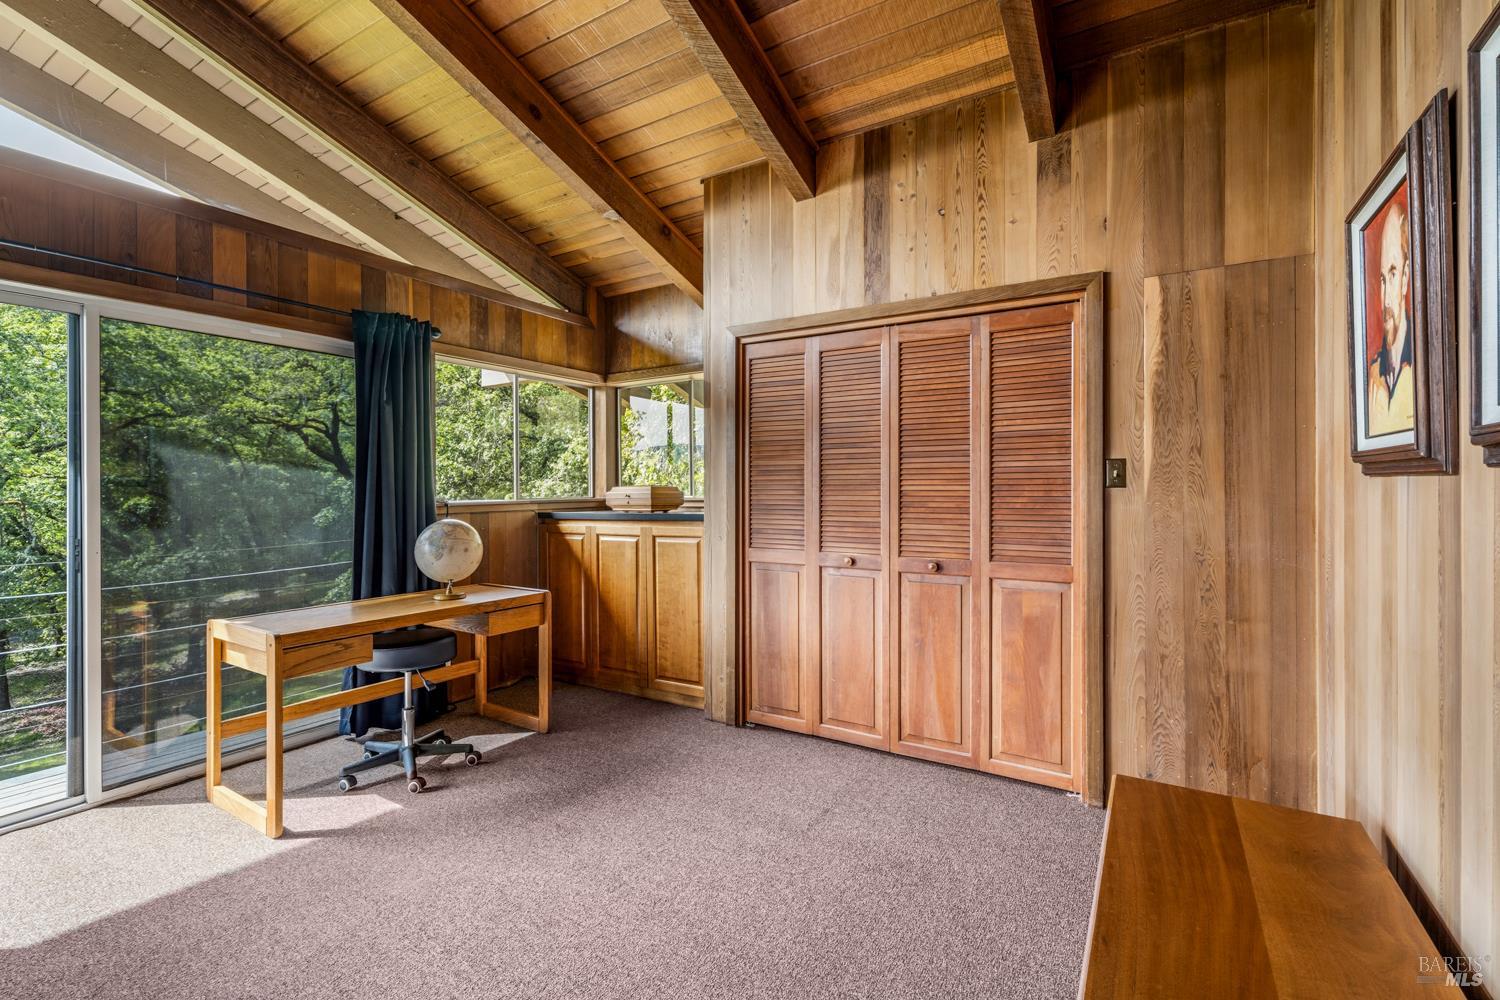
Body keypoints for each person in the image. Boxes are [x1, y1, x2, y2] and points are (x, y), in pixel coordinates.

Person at [1366, 196, 1415, 436]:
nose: (1385, 298)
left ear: (1406, 277)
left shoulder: (1421, 367)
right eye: (1383, 279)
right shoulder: (1374, 375)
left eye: (1393, 274)